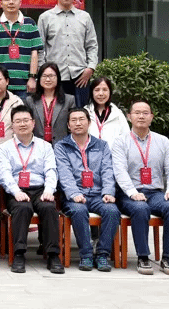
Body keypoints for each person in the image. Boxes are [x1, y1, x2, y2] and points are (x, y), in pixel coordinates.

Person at [111, 100, 169, 276]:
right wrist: (132, 193)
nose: (141, 116)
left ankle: (168, 258)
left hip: (155, 193)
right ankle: (143, 257)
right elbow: (119, 171)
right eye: (137, 113)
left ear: (151, 117)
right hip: (128, 194)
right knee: (140, 208)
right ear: (129, 117)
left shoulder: (163, 141)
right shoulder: (120, 142)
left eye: (145, 113)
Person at [0, 105, 64, 274]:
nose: (22, 124)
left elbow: (51, 170)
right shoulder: (4, 148)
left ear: (33, 123)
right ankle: (19, 254)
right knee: (22, 208)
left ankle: (53, 255)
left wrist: (49, 190)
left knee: (49, 208)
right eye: (18, 121)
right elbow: (4, 174)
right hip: (17, 191)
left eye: (26, 120)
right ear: (12, 126)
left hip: (40, 189)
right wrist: (16, 192)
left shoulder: (45, 146)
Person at [54, 108, 120, 272]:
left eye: (81, 119)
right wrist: (74, 193)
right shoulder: (61, 146)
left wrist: (108, 192)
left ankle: (103, 254)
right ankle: (86, 255)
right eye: (73, 120)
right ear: (68, 125)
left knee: (112, 211)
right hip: (74, 197)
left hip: (98, 195)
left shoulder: (102, 145)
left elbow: (107, 171)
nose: (78, 123)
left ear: (89, 122)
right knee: (78, 210)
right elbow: (64, 174)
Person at [38, 0, 98, 107]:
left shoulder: (85, 17)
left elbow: (92, 45)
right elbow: (40, 48)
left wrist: (90, 68)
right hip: (55, 76)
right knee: (57, 114)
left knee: (81, 113)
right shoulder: (45, 18)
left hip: (81, 76)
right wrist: (43, 73)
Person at [0, 0, 42, 98]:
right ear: (1, 3)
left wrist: (32, 77)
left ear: (20, 2)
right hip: (0, 85)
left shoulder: (30, 23)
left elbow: (34, 53)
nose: (11, 2)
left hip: (24, 85)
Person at [25, 62, 74, 146]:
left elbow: (72, 127)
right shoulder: (30, 101)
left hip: (62, 147)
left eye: (51, 76)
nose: (48, 79)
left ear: (58, 78)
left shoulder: (69, 100)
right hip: (37, 147)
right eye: (44, 76)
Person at [83, 76, 130, 148]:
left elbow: (126, 138)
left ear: (110, 92)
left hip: (112, 154)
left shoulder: (118, 114)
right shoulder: (85, 113)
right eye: (97, 90)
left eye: (105, 90)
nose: (101, 93)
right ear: (92, 92)